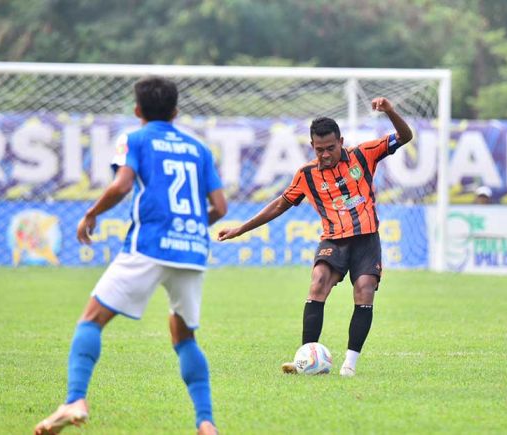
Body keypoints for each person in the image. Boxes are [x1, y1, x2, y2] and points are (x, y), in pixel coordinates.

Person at [34, 77, 227, 434]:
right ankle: (206, 423)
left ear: (137, 110)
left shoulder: (134, 138)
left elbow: (122, 185)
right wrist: (191, 224)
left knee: (91, 318)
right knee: (184, 336)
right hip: (192, 250)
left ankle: (75, 399)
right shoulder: (199, 148)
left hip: (150, 244)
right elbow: (220, 206)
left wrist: (92, 213)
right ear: (175, 110)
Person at [217, 97, 412, 377]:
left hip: (366, 239)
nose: (325, 154)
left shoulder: (363, 154)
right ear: (311, 146)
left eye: (330, 148)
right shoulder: (306, 175)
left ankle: (349, 364)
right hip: (333, 239)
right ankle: (306, 359)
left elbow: (405, 136)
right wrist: (240, 229)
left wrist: (391, 111)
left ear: (341, 141)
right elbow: (279, 204)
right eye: (319, 149)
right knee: (318, 282)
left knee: (365, 290)